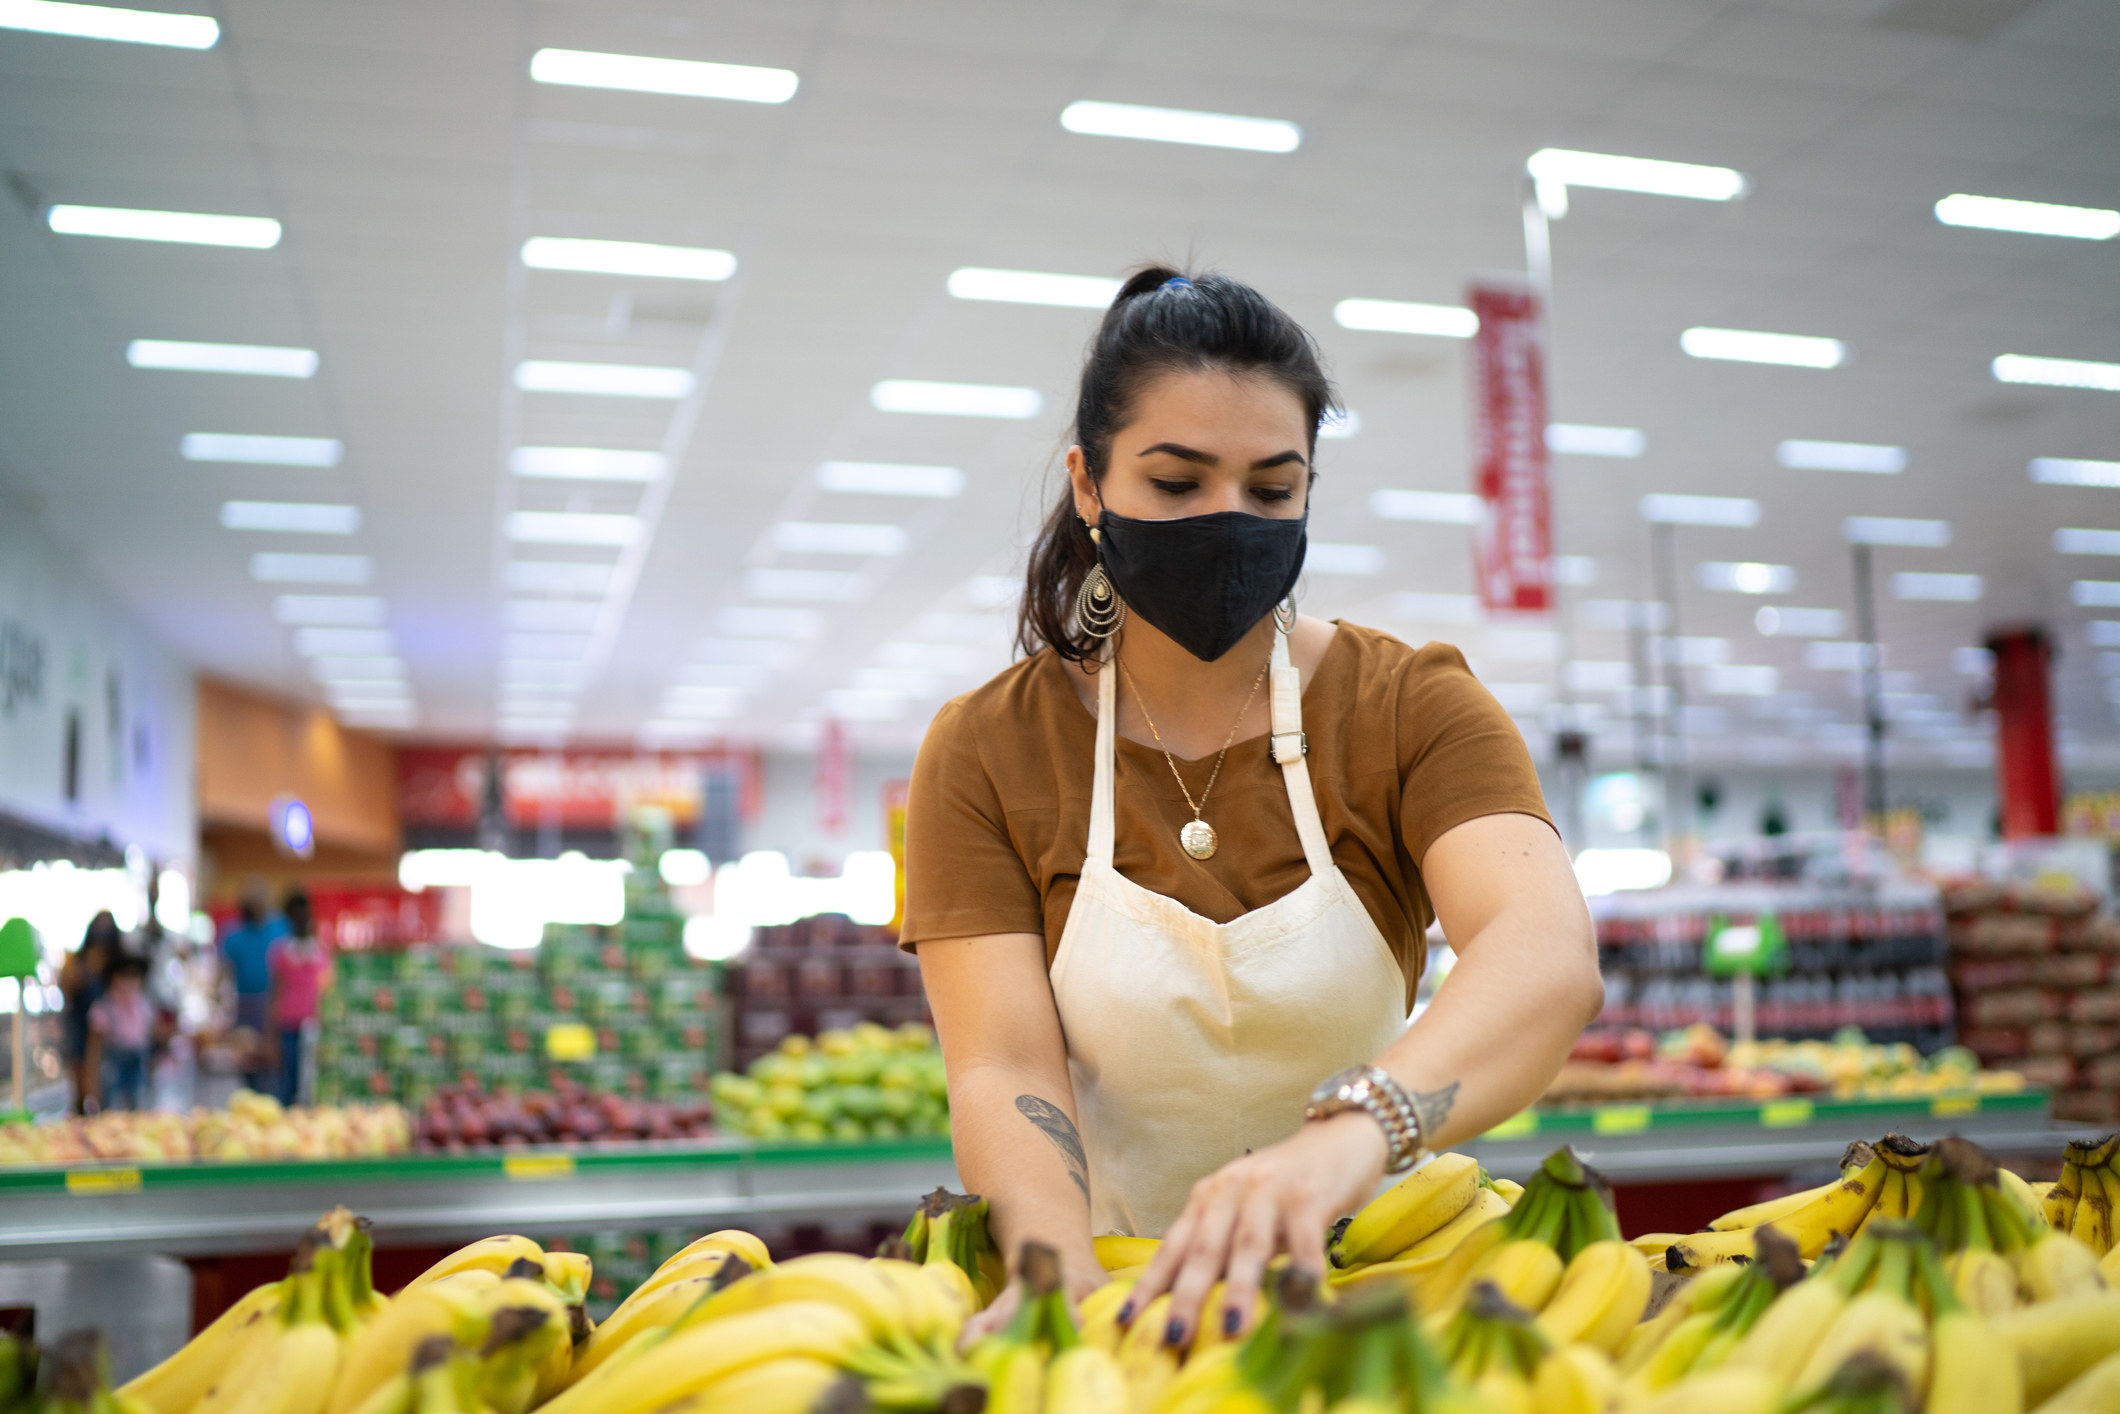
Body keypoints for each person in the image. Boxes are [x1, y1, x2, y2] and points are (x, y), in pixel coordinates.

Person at [901, 268, 1602, 1346]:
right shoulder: (987, 747)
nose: (1226, 521)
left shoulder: (1409, 706)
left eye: (1271, 490)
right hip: (1113, 1285)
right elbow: (1000, 1061)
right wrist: (1052, 1272)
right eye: (1176, 484)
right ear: (1088, 486)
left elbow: (1541, 953)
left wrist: (1354, 1133)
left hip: (1388, 1279)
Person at [265, 891, 331, 1106]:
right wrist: (272, 1035)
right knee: (289, 1082)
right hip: (288, 1025)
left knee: (312, 1081)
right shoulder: (282, 952)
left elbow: (326, 990)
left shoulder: (320, 950)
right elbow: (275, 992)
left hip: (314, 1024)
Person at [219, 886, 285, 1091]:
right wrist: (223, 1008)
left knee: (273, 1061)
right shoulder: (233, 933)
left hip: (274, 1002)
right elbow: (224, 973)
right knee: (247, 1061)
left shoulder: (279, 930)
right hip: (245, 1004)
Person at [59, 911, 120, 1115]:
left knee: (102, 1075)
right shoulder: (78, 959)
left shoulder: (116, 961)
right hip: (78, 1021)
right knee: (78, 1071)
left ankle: (103, 1114)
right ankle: (80, 1111)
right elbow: (65, 987)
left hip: (106, 1026)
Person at [84, 954, 154, 1111]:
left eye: (134, 977)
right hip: (113, 1064)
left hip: (138, 1062)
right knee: (111, 1105)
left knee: (138, 1104)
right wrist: (91, 1078)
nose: (130, 982)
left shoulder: (143, 1005)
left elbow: (148, 1035)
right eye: (125, 976)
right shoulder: (105, 1007)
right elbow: (94, 1045)